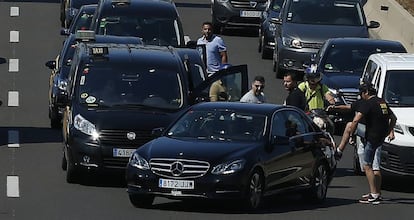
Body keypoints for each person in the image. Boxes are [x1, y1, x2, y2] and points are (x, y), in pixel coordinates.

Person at [335, 83, 397, 205]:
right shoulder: (382, 102)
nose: (361, 96)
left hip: (371, 138)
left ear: (366, 92)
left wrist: (352, 133)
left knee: (367, 165)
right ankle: (376, 193)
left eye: (361, 93)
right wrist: (388, 131)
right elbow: (393, 118)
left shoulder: (368, 103)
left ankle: (373, 194)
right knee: (375, 166)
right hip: (380, 138)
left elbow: (356, 119)